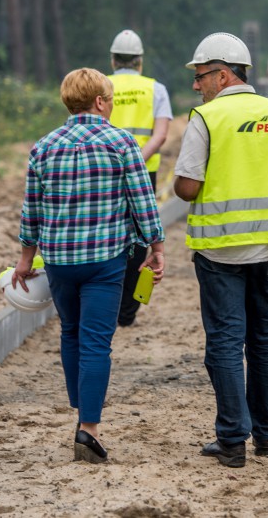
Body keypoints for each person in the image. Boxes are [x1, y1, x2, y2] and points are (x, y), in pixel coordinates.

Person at [10, 67, 166, 464]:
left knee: (71, 335)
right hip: (105, 262)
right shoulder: (121, 142)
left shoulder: (43, 147)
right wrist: (156, 246)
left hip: (61, 261)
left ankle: (81, 407)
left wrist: (26, 260)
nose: (111, 106)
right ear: (99, 102)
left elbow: (32, 210)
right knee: (97, 342)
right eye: (110, 100)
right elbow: (142, 200)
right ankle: (88, 428)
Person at [173, 33, 268, 468]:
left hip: (220, 253)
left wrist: (187, 183)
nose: (197, 86)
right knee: (265, 342)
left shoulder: (207, 118)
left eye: (200, 77)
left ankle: (233, 440)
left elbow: (188, 187)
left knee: (226, 344)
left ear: (222, 74)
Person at [106, 29, 174, 328]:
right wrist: (134, 162)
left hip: (102, 172)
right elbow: (160, 135)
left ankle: (104, 303)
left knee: (105, 233)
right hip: (144, 170)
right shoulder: (155, 89)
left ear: (112, 59)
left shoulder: (102, 86)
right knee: (138, 237)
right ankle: (127, 311)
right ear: (140, 61)